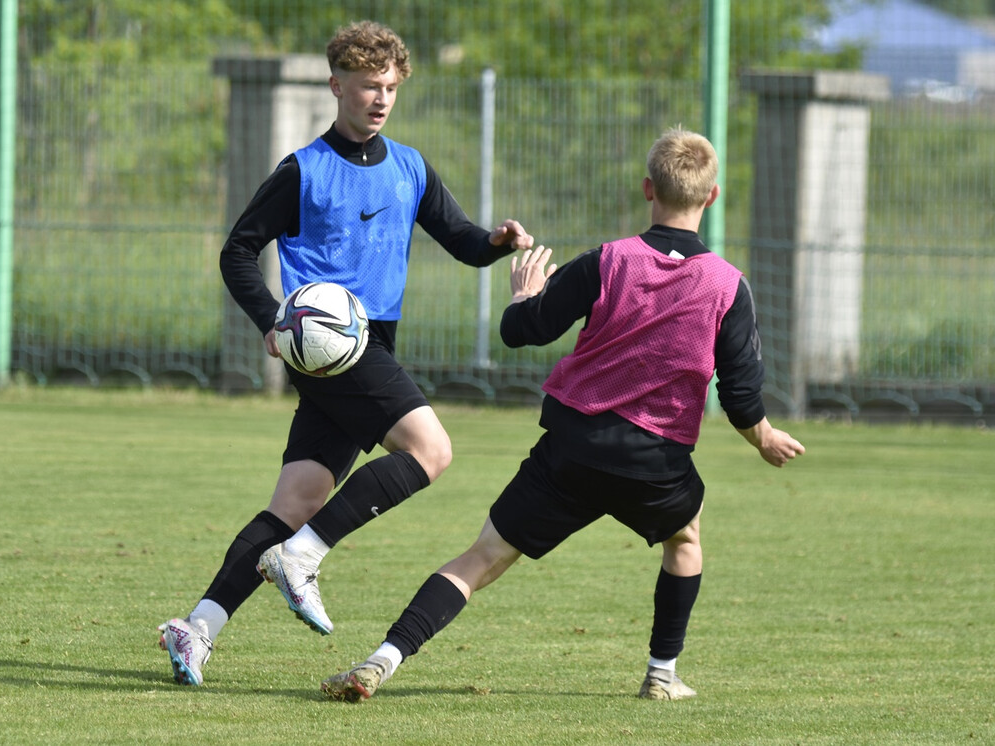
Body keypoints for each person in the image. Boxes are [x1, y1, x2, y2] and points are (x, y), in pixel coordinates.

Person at [320, 126, 806, 703]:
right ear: (713, 196)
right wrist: (765, 438)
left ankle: (383, 658)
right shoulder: (728, 286)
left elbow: (521, 331)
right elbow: (742, 396)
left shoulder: (608, 261)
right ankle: (661, 673)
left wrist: (525, 295)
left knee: (482, 558)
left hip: (571, 448)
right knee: (685, 541)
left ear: (648, 188)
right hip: (654, 461)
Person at [157, 20, 534, 686]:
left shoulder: (410, 166)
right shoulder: (303, 170)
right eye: (367, 86)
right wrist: (272, 321)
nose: (380, 98)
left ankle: (199, 626)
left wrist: (499, 241)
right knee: (432, 451)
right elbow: (238, 251)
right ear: (337, 85)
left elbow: (463, 242)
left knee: (297, 497)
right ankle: (301, 558)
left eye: (390, 87)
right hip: (332, 347)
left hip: (373, 343)